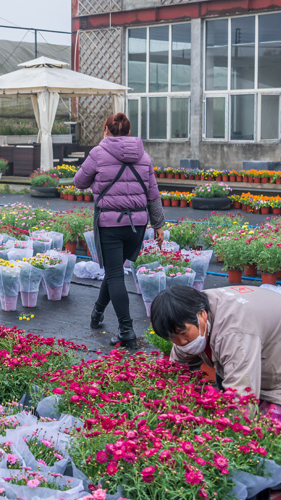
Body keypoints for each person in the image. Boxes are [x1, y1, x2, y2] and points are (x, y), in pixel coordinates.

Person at [150, 285, 281, 500]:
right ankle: (266, 479)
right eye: (174, 338)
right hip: (277, 350)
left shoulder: (234, 330)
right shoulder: (195, 307)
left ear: (202, 315)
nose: (182, 342)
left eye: (185, 335)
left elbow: (241, 397)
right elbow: (180, 364)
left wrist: (217, 440)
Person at [73, 112, 165, 349]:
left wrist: (98, 178)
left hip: (110, 224)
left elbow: (79, 182)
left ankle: (126, 331)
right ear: (128, 131)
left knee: (114, 275)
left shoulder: (98, 153)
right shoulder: (144, 156)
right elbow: (153, 194)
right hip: (137, 226)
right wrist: (159, 225)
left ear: (106, 129)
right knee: (114, 271)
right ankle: (97, 313)